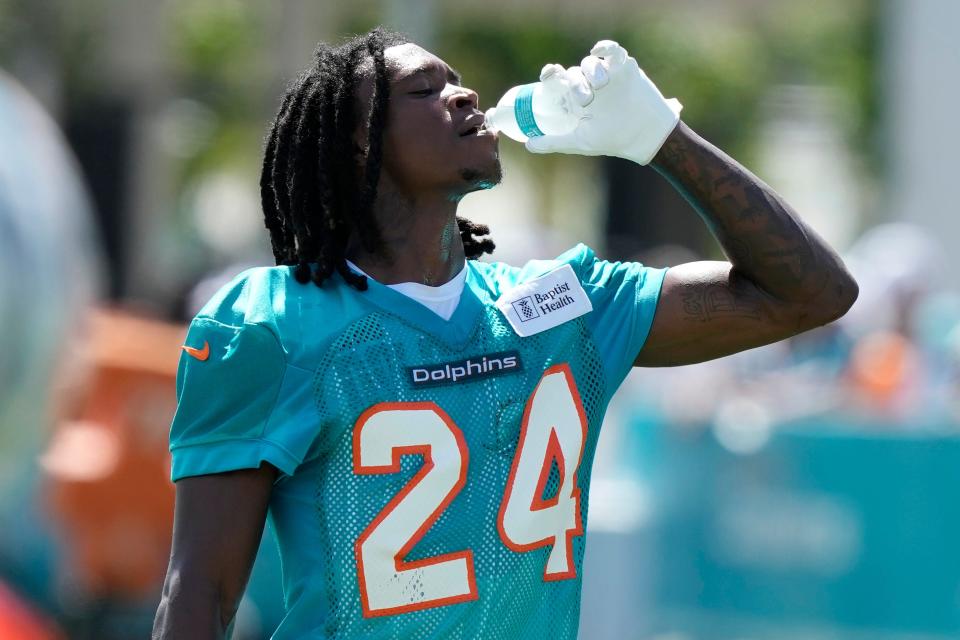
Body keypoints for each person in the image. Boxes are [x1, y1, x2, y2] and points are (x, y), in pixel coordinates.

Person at [152, 26, 857, 639]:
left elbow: (813, 294)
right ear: (356, 139)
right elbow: (200, 594)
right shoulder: (273, 324)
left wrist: (661, 140)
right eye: (422, 91)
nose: (462, 97)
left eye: (458, 84)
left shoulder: (564, 303)